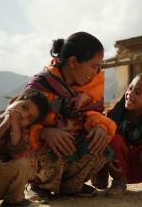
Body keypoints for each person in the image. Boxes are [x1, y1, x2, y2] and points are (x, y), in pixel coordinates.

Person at [26, 31, 116, 199]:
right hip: (42, 149)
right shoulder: (41, 86)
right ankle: (40, 185)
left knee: (101, 145)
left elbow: (93, 113)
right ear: (74, 62)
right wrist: (44, 133)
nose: (97, 72)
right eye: (94, 66)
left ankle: (71, 186)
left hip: (69, 147)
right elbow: (18, 123)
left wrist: (100, 126)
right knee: (54, 146)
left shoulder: (89, 88)